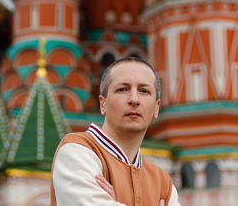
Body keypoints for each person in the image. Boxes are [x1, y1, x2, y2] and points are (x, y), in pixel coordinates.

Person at [50, 57, 181, 206]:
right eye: (122, 89)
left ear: (156, 107)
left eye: (144, 91)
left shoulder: (162, 181)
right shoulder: (76, 151)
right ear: (103, 104)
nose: (134, 99)